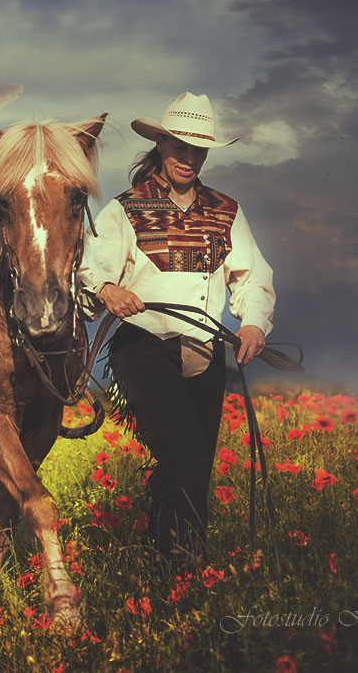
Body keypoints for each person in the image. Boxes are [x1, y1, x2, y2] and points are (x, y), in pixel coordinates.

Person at [77, 91, 276, 569]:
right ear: (161, 147)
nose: (188, 158)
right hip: (143, 344)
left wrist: (252, 323)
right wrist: (109, 290)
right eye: (179, 147)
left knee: (197, 462)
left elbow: (251, 275)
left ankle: (183, 563)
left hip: (205, 346)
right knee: (183, 447)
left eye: (197, 150)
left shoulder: (226, 210)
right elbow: (91, 268)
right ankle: (174, 559)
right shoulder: (124, 209)